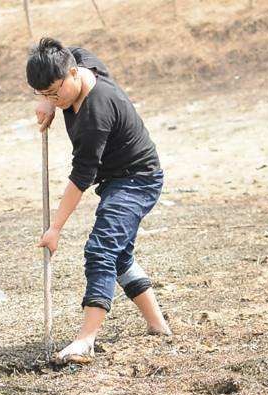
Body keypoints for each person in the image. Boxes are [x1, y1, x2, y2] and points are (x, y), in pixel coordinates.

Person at [26, 38, 171, 365]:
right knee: (119, 256)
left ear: (72, 74)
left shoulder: (96, 112)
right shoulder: (78, 64)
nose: (55, 100)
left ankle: (86, 340)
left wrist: (55, 228)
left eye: (55, 92)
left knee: (101, 250)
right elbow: (73, 50)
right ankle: (158, 326)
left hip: (137, 180)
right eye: (44, 93)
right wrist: (48, 101)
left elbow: (81, 177)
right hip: (118, 179)